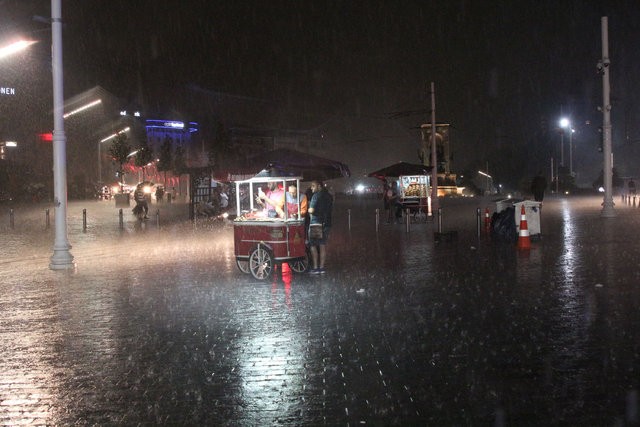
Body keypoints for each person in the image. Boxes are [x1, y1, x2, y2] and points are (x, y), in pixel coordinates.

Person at [307, 180, 333, 274]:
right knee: (322, 245)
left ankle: (315, 267)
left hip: (316, 223)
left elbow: (311, 210)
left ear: (319, 186)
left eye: (313, 186)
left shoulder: (316, 196)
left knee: (313, 245)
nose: (311, 188)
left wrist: (309, 207)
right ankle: (322, 268)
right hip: (327, 223)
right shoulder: (329, 196)